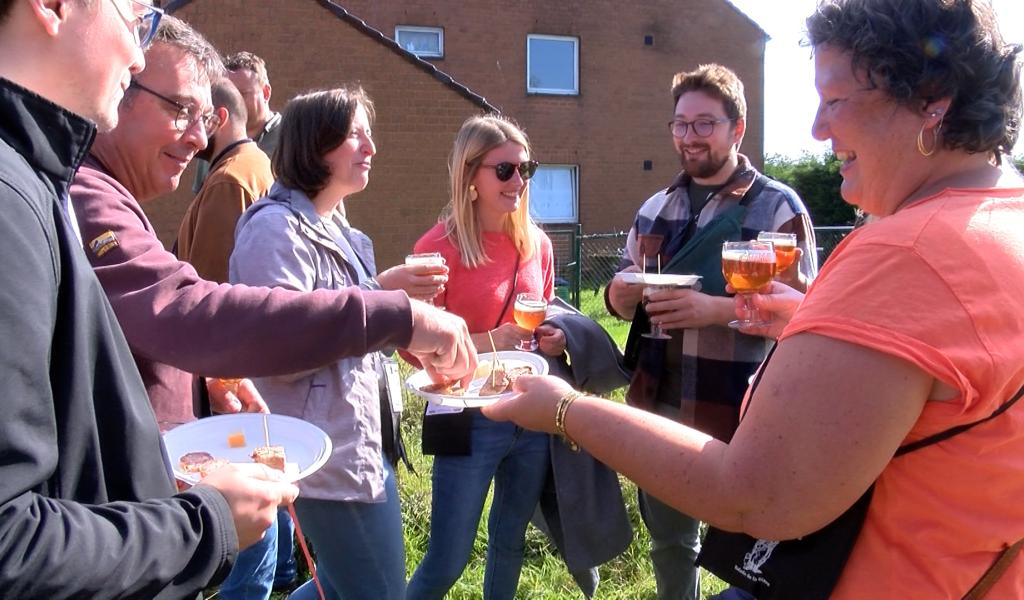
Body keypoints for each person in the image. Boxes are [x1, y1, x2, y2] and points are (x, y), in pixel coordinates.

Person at [484, 0, 1024, 598]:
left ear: (932, 99)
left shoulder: (906, 252)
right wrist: (810, 322)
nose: (818, 127)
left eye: (835, 99)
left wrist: (563, 408)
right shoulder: (1002, 220)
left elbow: (754, 495)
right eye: (680, 124)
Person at [69, 15, 474, 599]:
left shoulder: (345, 230)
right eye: (181, 110)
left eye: (205, 118)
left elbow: (145, 323)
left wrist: (209, 373)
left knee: (343, 586)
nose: (196, 136)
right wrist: (397, 312)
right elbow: (186, 306)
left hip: (347, 444)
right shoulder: (96, 194)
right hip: (307, 457)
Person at [0, 0, 298, 597]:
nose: (135, 53)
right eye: (135, 16)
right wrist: (203, 527)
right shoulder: (19, 195)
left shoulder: (41, 180)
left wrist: (202, 381)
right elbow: (12, 542)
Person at [602, 63, 816, 600]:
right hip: (662, 404)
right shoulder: (656, 208)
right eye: (680, 124)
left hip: (746, 406)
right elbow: (620, 293)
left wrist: (714, 309)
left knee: (753, 544)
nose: (689, 137)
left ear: (735, 129)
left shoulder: (777, 207)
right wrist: (618, 296)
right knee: (671, 543)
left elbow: (810, 315)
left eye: (704, 124)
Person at [231, 86, 443, 600]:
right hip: (325, 451)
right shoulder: (274, 230)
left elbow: (358, 342)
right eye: (355, 135)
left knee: (349, 585)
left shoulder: (340, 228)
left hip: (363, 441)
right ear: (313, 144)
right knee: (376, 592)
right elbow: (279, 348)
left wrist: (400, 327)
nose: (370, 147)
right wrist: (382, 297)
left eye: (369, 134)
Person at [406, 114, 567, 600]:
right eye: (505, 170)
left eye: (526, 169)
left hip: (528, 410)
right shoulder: (436, 250)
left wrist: (552, 340)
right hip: (466, 417)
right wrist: (492, 339)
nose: (518, 181)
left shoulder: (535, 244)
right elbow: (416, 351)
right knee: (447, 560)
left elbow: (540, 322)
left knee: (510, 542)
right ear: (470, 176)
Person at [176, 76, 271, 282]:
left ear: (219, 118)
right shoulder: (257, 163)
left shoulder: (228, 181)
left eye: (192, 116)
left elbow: (209, 292)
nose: (186, 130)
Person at [192, 51, 280, 192]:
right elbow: (201, 196)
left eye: (242, 94)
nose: (234, 100)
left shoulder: (291, 138)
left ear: (266, 93)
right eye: (230, 94)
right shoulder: (215, 139)